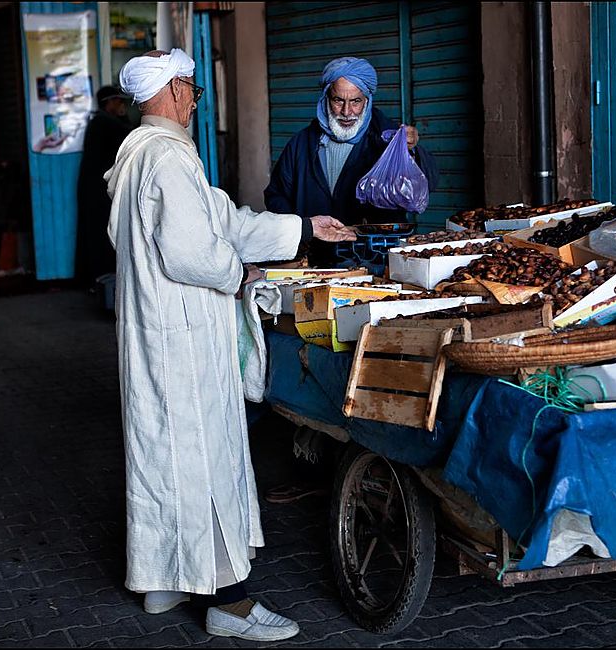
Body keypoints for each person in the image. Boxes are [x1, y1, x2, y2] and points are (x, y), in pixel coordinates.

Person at [106, 48, 356, 642]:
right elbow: (197, 251)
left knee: (161, 459)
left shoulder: (139, 155)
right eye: (190, 88)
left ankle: (163, 577)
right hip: (183, 341)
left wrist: (302, 227)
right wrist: (238, 274)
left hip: (155, 335)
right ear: (168, 92)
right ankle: (229, 604)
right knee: (202, 462)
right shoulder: (165, 158)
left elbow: (222, 218)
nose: (195, 98)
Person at [263, 56, 439, 265]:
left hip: (373, 262)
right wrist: (303, 231)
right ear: (326, 98)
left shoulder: (387, 140)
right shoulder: (301, 144)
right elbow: (276, 195)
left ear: (367, 100)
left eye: (356, 101)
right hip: (314, 262)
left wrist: (411, 152)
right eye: (338, 100)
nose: (347, 112)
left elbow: (426, 183)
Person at [76, 85, 133, 286]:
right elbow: (130, 135)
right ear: (108, 103)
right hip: (96, 189)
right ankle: (99, 278)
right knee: (99, 233)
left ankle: (95, 277)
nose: (122, 105)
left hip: (95, 186)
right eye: (118, 101)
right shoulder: (103, 122)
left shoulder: (103, 121)